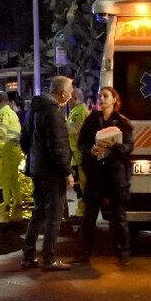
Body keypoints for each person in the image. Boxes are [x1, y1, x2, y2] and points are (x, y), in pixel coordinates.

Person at [72, 86, 135, 266]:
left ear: (114, 99)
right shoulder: (92, 120)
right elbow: (81, 143)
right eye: (100, 96)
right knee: (89, 216)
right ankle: (83, 253)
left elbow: (128, 147)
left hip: (116, 176)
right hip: (95, 175)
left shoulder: (122, 122)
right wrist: (90, 149)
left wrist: (113, 145)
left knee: (119, 217)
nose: (102, 99)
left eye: (106, 96)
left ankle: (123, 252)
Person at [20, 76, 75, 271]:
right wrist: (67, 172)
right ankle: (48, 258)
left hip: (37, 169)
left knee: (39, 211)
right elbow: (58, 147)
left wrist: (36, 157)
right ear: (62, 93)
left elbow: (24, 141)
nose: (71, 94)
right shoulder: (54, 113)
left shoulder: (33, 110)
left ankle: (28, 256)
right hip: (52, 172)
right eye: (70, 90)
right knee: (54, 214)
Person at [0, 90, 25, 223]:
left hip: (5, 153)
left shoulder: (2, 113)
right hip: (13, 153)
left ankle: (4, 216)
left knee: (4, 185)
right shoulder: (12, 113)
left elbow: (0, 132)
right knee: (14, 184)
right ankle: (17, 214)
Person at [66, 87, 90, 219]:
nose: (68, 101)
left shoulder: (79, 112)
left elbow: (72, 130)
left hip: (79, 153)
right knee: (78, 185)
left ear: (74, 97)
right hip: (76, 154)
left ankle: (83, 213)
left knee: (82, 185)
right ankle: (82, 211)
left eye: (69, 98)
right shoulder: (78, 110)